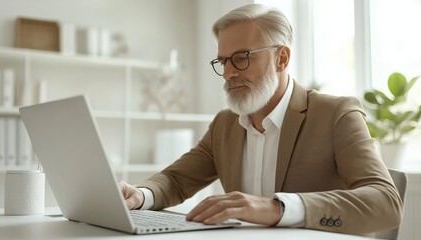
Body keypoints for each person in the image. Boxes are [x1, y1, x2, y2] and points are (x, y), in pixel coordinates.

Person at [120, 3, 402, 236]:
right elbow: (176, 180)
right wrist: (141, 195)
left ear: (281, 58)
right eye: (223, 61)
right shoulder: (225, 125)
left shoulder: (336, 115)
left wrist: (278, 209)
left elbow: (386, 203)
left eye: (242, 58)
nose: (229, 72)